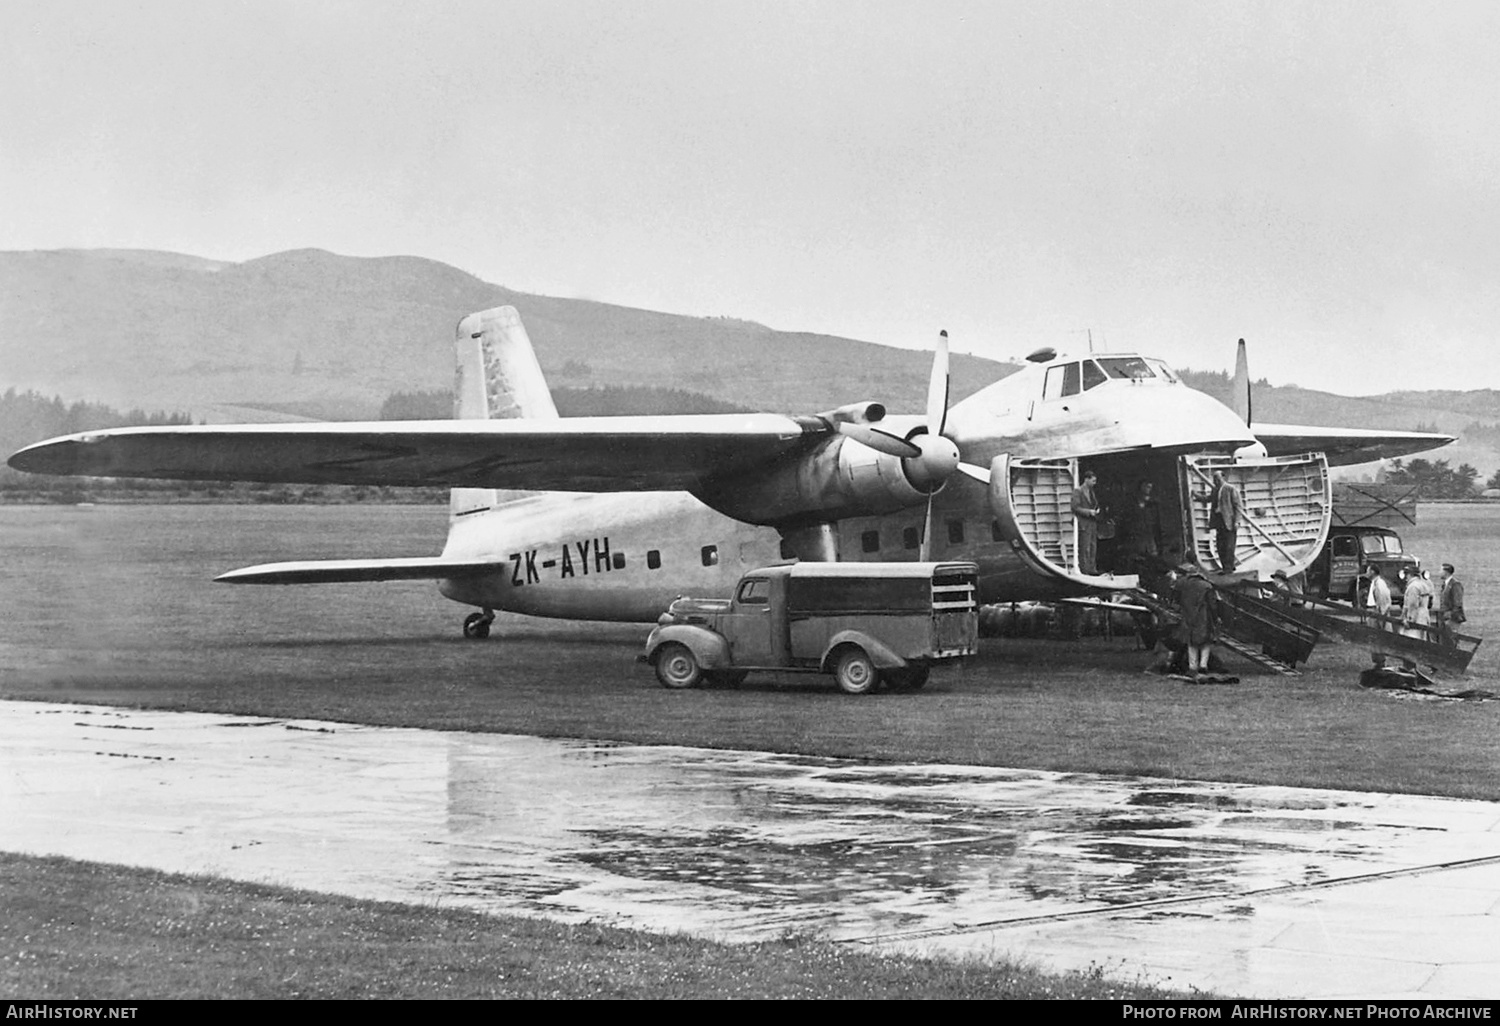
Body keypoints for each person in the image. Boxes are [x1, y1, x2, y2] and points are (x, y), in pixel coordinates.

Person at [1173, 565, 1219, 680]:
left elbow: (1176, 599)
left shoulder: (1182, 584)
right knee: (1205, 641)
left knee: (1191, 641)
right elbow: (1212, 604)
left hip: (1188, 615)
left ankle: (1192, 667)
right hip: (1203, 616)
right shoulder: (1206, 586)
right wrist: (1216, 617)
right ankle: (1203, 666)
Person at [1197, 470, 1242, 572]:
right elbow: (1208, 498)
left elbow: (1238, 507)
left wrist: (1237, 521)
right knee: (1220, 546)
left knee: (1229, 547)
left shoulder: (1231, 489)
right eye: (1214, 479)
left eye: (1218, 478)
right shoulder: (1215, 490)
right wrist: (1196, 496)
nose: (1216, 481)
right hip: (1219, 522)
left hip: (1229, 522)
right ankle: (1226, 568)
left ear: (1223, 478)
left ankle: (1228, 569)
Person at [1119, 480, 1163, 566]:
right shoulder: (1133, 503)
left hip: (1149, 535)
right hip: (1137, 535)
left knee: (1152, 557)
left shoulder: (1152, 504)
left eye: (1150, 487)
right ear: (1141, 487)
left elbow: (1156, 522)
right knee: (1138, 557)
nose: (1148, 489)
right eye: (1146, 486)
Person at [1071, 468, 1102, 576]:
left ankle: (1092, 569)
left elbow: (1094, 503)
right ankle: (1084, 570)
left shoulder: (1091, 492)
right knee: (1085, 548)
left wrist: (1096, 510)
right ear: (1086, 479)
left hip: (1092, 523)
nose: (1095, 483)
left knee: (1093, 546)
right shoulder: (1077, 491)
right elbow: (1075, 507)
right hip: (1084, 523)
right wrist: (1089, 512)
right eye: (1093, 481)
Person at [1437, 563, 1466, 647]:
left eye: (1441, 570)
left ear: (1446, 572)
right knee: (1447, 640)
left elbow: (1458, 603)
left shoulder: (1455, 584)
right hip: (1446, 617)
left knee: (1452, 639)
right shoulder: (1445, 584)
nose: (1439, 572)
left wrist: (1450, 614)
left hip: (1452, 618)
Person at [1402, 569, 1435, 641]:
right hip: (1424, 615)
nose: (1405, 577)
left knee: (1413, 640)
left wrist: (1410, 620)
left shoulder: (1413, 587)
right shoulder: (1424, 584)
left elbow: (1413, 604)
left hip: (1416, 617)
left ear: (1410, 575)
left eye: (1406, 574)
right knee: (1423, 639)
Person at [1366, 565, 1393, 631]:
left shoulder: (1379, 583)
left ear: (1372, 572)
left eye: (1367, 571)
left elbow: (1382, 598)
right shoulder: (1375, 582)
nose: (1366, 573)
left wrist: (1381, 613)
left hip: (1375, 611)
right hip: (1373, 611)